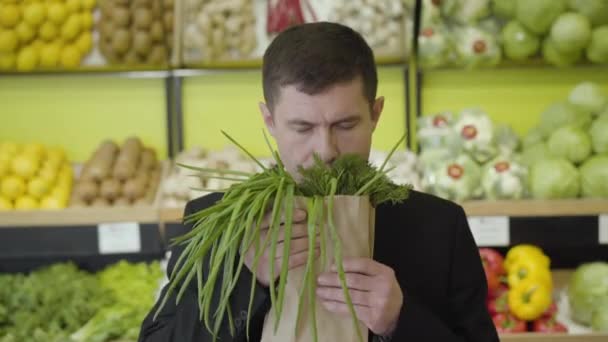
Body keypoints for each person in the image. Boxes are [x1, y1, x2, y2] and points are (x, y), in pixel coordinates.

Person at [139, 22, 499, 342]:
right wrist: (248, 284)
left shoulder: (438, 226)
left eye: (345, 125)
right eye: (302, 127)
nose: (325, 150)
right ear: (270, 119)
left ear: (376, 115)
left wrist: (400, 321)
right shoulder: (214, 222)